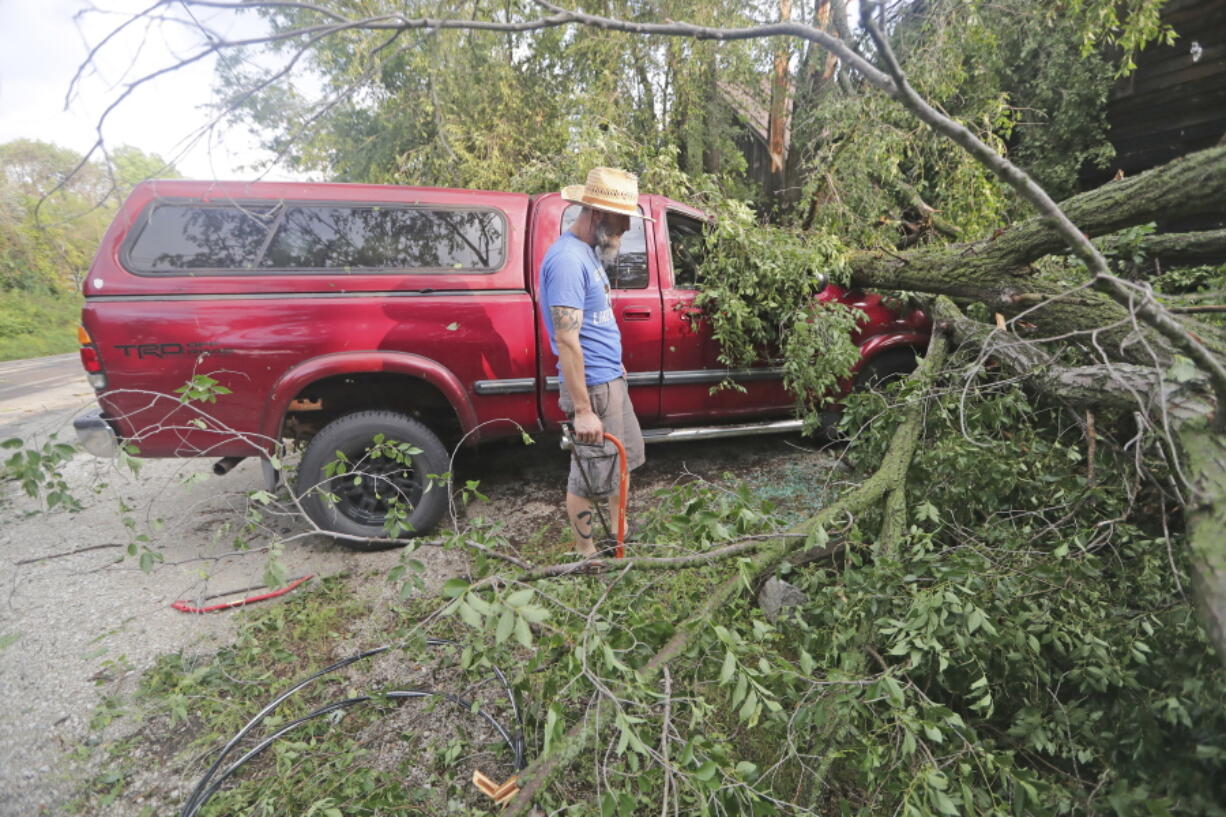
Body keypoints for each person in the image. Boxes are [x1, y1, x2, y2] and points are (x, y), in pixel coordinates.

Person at [540, 167, 649, 557]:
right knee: (587, 476)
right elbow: (567, 340)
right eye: (622, 220)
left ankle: (618, 540)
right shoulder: (568, 260)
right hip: (593, 391)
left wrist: (617, 370)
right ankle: (586, 554)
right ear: (598, 215)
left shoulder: (588, 253)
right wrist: (583, 409)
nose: (627, 228)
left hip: (610, 381)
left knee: (620, 462)